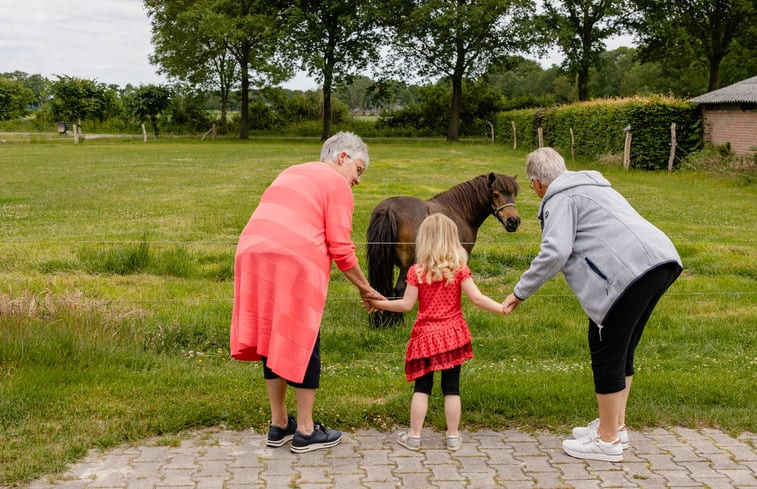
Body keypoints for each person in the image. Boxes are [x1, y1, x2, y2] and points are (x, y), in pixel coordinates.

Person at [502, 147, 682, 462]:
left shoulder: (559, 199)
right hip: (660, 261)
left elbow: (556, 251)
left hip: (627, 275)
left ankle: (607, 441)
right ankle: (616, 425)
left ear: (536, 183)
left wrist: (519, 292)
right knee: (623, 349)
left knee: (607, 351)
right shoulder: (592, 185)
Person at [230, 132, 385, 453]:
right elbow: (341, 247)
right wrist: (367, 290)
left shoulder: (293, 170)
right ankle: (304, 431)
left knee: (273, 338)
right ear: (342, 157)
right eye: (359, 171)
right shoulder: (336, 183)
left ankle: (279, 424)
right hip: (292, 260)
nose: (357, 181)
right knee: (303, 338)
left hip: (251, 253)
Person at [365, 213, 506, 452]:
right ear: (452, 240)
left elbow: (405, 305)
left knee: (422, 389)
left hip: (425, 338)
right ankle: (453, 437)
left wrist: (379, 303)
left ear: (424, 240)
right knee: (452, 388)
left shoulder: (416, 272)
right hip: (453, 335)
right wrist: (501, 308)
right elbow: (478, 298)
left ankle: (414, 436)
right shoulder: (459, 269)